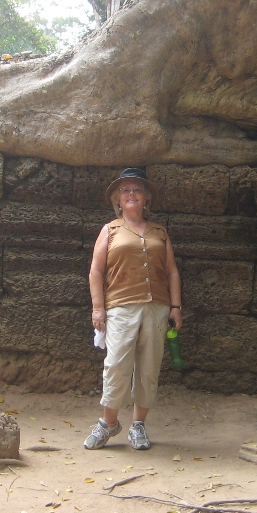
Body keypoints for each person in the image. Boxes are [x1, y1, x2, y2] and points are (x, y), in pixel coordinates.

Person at [84, 167, 182, 450]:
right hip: (120, 307)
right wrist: (98, 309)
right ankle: (109, 423)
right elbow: (96, 271)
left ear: (146, 198)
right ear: (117, 198)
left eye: (137, 189)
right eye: (125, 190)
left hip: (157, 308)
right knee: (116, 364)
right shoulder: (110, 230)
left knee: (149, 367)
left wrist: (175, 307)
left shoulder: (159, 232)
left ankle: (138, 426)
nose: (131, 194)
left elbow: (172, 272)